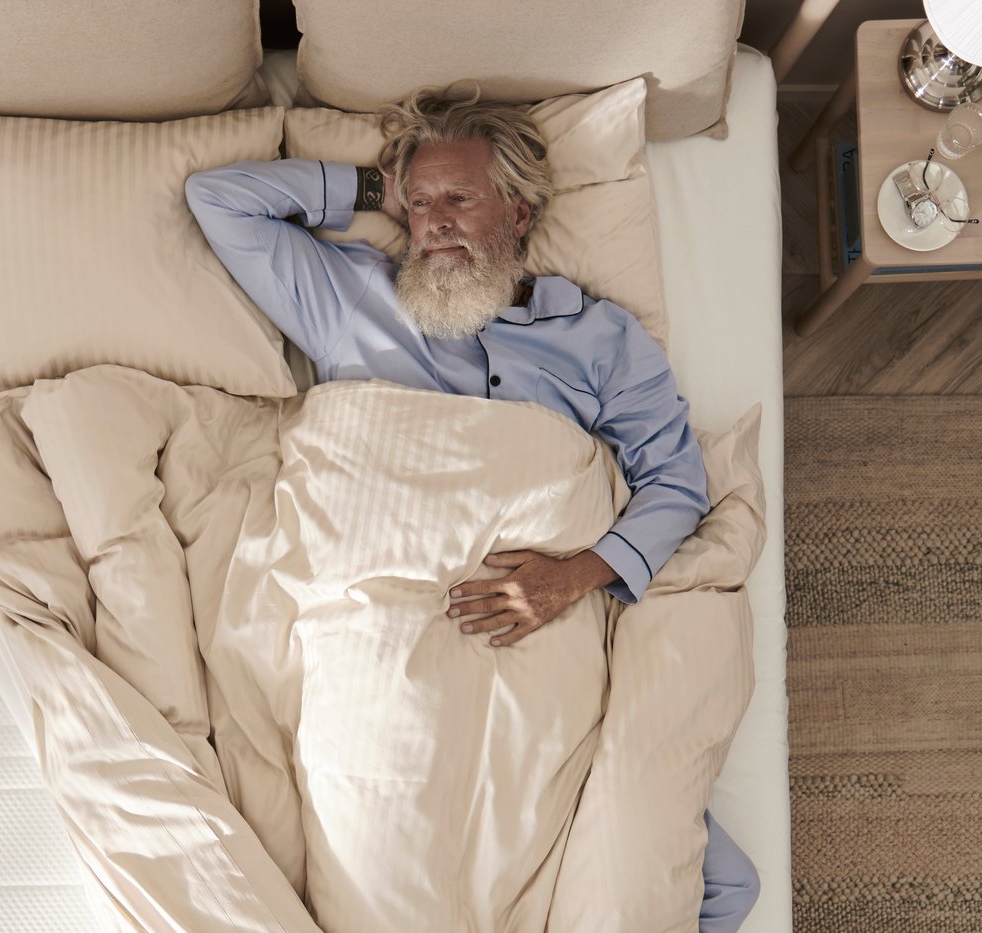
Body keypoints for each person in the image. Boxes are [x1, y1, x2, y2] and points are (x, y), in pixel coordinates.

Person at [185, 85, 760, 932]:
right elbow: (219, 201)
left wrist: (576, 575)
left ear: (519, 212)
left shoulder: (600, 339)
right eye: (420, 205)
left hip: (541, 620)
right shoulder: (350, 300)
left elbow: (675, 484)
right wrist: (378, 190)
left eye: (460, 198)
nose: (435, 221)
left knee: (706, 882)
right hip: (373, 619)